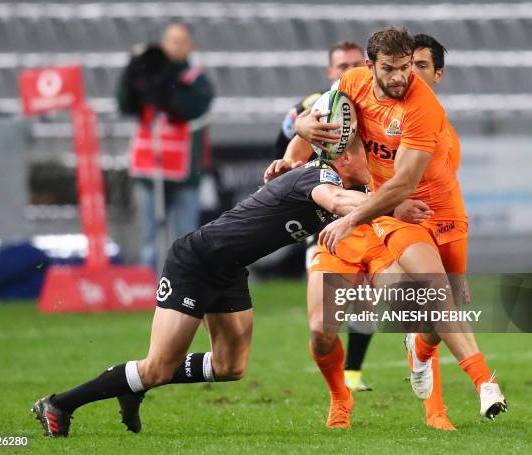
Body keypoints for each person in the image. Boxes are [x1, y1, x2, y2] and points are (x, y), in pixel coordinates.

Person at [32, 141, 382, 438]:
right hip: (195, 261)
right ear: (345, 158)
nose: (378, 166)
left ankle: (134, 383)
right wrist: (392, 203)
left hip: (228, 269)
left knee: (230, 367)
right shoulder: (318, 176)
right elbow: (336, 202)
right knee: (156, 368)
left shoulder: (345, 182)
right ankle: (59, 404)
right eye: (371, 157)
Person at [311, 26, 507, 422]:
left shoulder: (425, 109)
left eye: (410, 68)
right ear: (371, 67)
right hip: (397, 213)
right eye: (393, 68)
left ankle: (421, 349)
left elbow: (404, 180)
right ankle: (484, 383)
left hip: (443, 212)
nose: (402, 76)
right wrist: (297, 138)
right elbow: (320, 124)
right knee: (433, 291)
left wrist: (350, 217)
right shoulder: (353, 84)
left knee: (444, 308)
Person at [271, 41, 375, 393]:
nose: (347, 71)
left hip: (370, 201)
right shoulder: (317, 105)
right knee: (328, 305)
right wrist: (288, 165)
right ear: (331, 71)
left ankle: (353, 372)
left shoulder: (375, 102)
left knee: (365, 295)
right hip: (325, 203)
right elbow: (288, 140)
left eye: (353, 64)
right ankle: (333, 367)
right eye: (340, 65)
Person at [117, 23, 214, 270]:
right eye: (170, 41)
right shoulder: (148, 74)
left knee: (184, 237)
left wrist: (167, 84)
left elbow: (191, 107)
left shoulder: (196, 79)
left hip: (185, 172)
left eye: (180, 41)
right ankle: (150, 291)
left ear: (190, 47)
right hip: (149, 168)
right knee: (149, 235)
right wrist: (134, 69)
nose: (174, 46)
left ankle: (184, 290)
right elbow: (125, 104)